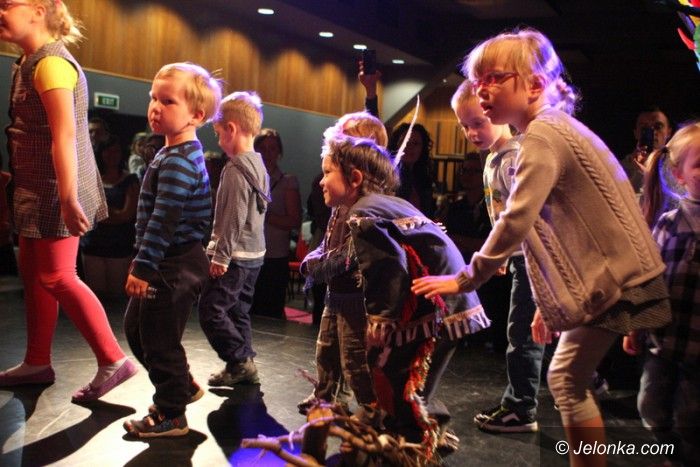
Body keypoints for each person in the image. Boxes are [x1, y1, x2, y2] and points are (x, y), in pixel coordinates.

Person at [412, 28, 671, 467]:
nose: (482, 90)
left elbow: (517, 220)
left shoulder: (542, 137)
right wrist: (549, 303)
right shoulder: (551, 131)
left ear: (534, 85)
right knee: (568, 379)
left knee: (567, 381)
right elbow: (546, 233)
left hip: (619, 280)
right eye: (478, 81)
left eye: (494, 78)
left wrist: (465, 279)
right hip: (618, 278)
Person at [0, 0, 136, 401]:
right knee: (34, 274)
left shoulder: (51, 64)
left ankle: (113, 359)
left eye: (7, 3)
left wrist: (67, 197)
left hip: (54, 188)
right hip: (34, 187)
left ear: (39, 9)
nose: (0, 11)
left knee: (58, 276)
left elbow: (65, 137)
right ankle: (37, 361)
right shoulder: (27, 62)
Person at [316, 135, 488, 452]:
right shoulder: (390, 204)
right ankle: (424, 431)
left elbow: (388, 264)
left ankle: (411, 443)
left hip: (439, 307)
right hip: (449, 304)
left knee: (397, 377)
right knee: (410, 380)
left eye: (328, 172)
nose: (321, 181)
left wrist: (380, 319)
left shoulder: (363, 212)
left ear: (355, 178)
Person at [122, 62, 221, 438]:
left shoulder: (180, 160)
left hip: (173, 262)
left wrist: (143, 266)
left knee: (159, 338)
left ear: (197, 115)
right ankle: (180, 384)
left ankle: (172, 413)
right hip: (166, 259)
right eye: (153, 98)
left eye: (168, 101)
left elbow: (164, 219)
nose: (155, 107)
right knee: (137, 329)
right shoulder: (171, 153)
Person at [449, 79, 547, 433]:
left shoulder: (513, 158)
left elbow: (525, 214)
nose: (472, 132)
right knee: (525, 328)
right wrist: (501, 255)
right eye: (465, 126)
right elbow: (501, 215)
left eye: (478, 122)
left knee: (522, 331)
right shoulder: (495, 157)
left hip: (533, 257)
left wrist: (507, 252)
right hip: (519, 255)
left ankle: (521, 407)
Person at [623, 121, 700, 467]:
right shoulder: (668, 223)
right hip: (665, 339)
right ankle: (671, 451)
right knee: (650, 405)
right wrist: (635, 326)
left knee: (690, 415)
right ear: (679, 174)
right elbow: (649, 279)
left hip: (698, 346)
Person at [198, 91, 270, 388]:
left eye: (218, 133)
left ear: (231, 128)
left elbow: (234, 216)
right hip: (254, 255)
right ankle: (243, 364)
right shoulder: (258, 164)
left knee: (211, 311)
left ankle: (239, 361)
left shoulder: (235, 168)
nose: (218, 141)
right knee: (238, 310)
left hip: (235, 257)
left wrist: (221, 257)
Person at [250, 128, 302, 319]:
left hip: (274, 255)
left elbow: (294, 220)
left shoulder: (287, 181)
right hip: (248, 252)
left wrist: (265, 215)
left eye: (272, 148)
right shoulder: (248, 177)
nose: (267, 153)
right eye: (263, 148)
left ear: (279, 152)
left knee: (270, 311)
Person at [80, 136, 139, 298]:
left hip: (119, 246)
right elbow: (87, 211)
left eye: (116, 150)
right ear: (101, 153)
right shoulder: (91, 178)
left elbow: (127, 215)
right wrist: (113, 213)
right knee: (94, 296)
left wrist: (102, 212)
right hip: (93, 244)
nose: (112, 154)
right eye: (108, 150)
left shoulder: (130, 180)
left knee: (117, 297)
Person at [388, 123, 436, 218]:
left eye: (415, 143)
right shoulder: (389, 176)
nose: (409, 147)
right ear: (396, 145)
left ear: (422, 148)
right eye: (405, 141)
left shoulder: (422, 178)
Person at [620, 108, 673, 194]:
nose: (652, 132)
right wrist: (639, 173)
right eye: (644, 128)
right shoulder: (620, 168)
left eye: (658, 127)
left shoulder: (677, 166)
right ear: (636, 133)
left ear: (668, 132)